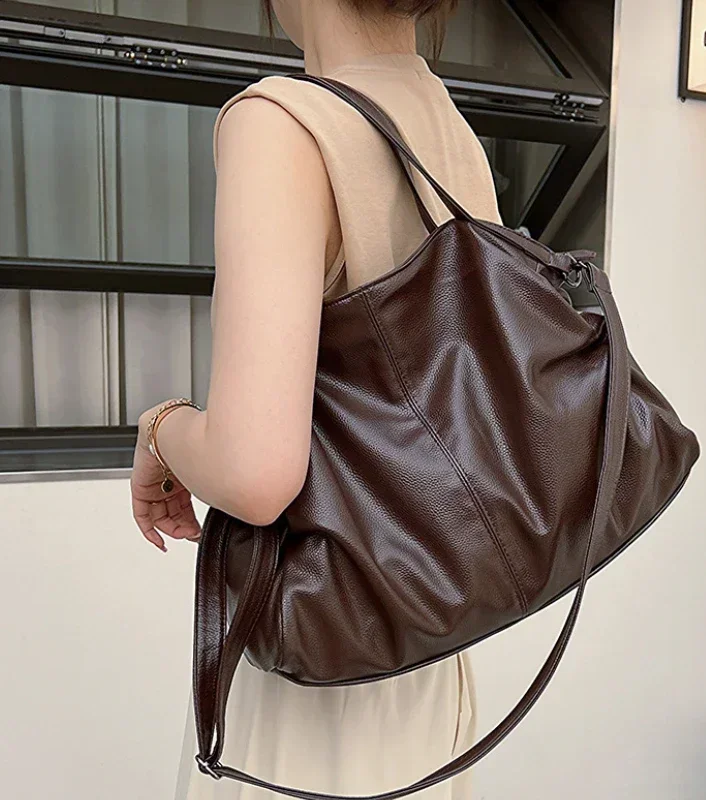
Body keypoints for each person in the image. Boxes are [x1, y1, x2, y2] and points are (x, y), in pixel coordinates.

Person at [130, 0, 504, 797]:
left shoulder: (283, 125)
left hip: (317, 677)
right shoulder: (450, 131)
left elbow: (257, 474)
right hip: (431, 660)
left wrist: (160, 430)